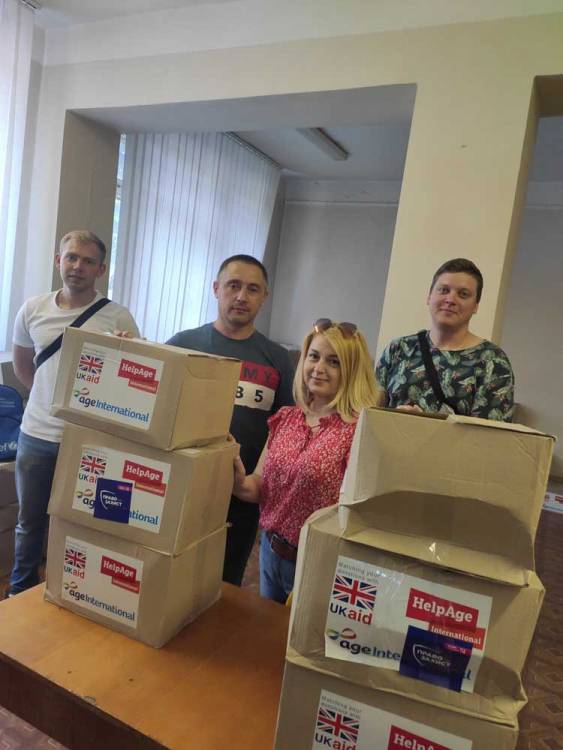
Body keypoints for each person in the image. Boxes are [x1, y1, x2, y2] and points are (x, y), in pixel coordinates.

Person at [8, 230, 140, 596]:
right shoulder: (33, 309)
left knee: (87, 525)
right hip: (36, 436)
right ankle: (19, 592)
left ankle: (75, 593)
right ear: (58, 261)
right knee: (29, 523)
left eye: (88, 261)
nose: (78, 266)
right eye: (71, 257)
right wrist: (53, 401)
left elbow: (132, 381)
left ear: (101, 270)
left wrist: (129, 350)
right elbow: (23, 369)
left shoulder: (118, 317)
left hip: (91, 441)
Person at [166, 254, 294, 586]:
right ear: (216, 288)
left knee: (224, 583)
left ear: (264, 297)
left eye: (253, 289)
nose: (241, 296)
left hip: (241, 493)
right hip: (181, 486)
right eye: (233, 286)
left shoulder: (278, 359)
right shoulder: (182, 345)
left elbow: (285, 432)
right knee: (172, 574)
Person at [232, 319, 379, 604]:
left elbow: (357, 514)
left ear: (351, 370)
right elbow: (258, 486)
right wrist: (236, 481)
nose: (319, 368)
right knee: (267, 629)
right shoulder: (286, 418)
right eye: (314, 356)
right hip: (270, 552)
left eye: (334, 362)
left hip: (318, 563)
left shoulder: (358, 431)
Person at [376, 257, 514, 421]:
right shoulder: (399, 348)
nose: (450, 300)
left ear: (475, 306)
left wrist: (424, 426)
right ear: (429, 297)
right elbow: (370, 415)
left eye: (463, 294)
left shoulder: (493, 361)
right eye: (443, 290)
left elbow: (491, 433)